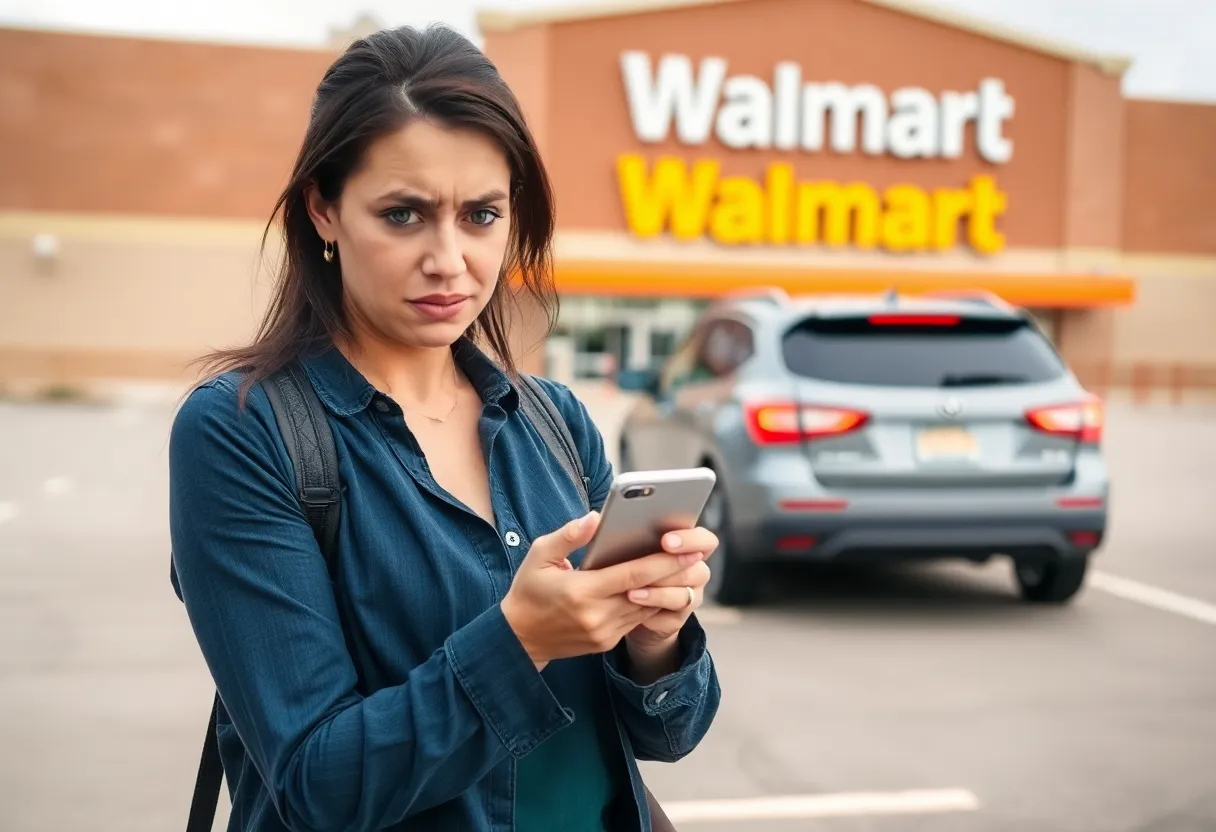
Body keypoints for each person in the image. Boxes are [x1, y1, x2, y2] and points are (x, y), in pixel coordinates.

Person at [168, 24, 721, 832]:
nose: (450, 259)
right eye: (404, 215)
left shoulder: (555, 421)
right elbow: (318, 787)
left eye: (481, 215)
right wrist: (519, 639)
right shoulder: (242, 434)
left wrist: (657, 638)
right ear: (323, 209)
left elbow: (665, 732)